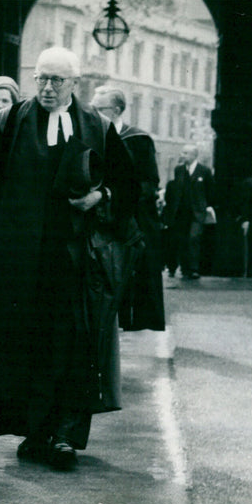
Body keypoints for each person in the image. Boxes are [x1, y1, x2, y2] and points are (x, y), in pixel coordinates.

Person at [0, 47, 141, 469]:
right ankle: (35, 433)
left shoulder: (98, 127)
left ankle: (64, 435)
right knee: (24, 350)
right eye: (41, 79)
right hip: (17, 267)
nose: (47, 88)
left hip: (75, 266)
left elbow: (130, 190)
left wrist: (98, 197)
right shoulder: (8, 123)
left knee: (73, 348)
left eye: (57, 81)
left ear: (74, 83)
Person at [91, 87, 164, 331]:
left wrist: (117, 199)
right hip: (98, 216)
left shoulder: (138, 139)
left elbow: (149, 183)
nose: (94, 113)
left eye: (100, 109)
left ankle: (135, 323)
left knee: (135, 271)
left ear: (117, 110)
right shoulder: (91, 136)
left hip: (132, 218)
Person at [162, 144, 215, 279]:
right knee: (181, 239)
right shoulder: (179, 170)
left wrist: (206, 206)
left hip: (197, 212)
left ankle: (194, 268)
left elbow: (211, 191)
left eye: (185, 153)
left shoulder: (204, 171)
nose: (182, 155)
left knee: (194, 238)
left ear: (194, 155)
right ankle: (184, 268)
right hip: (180, 212)